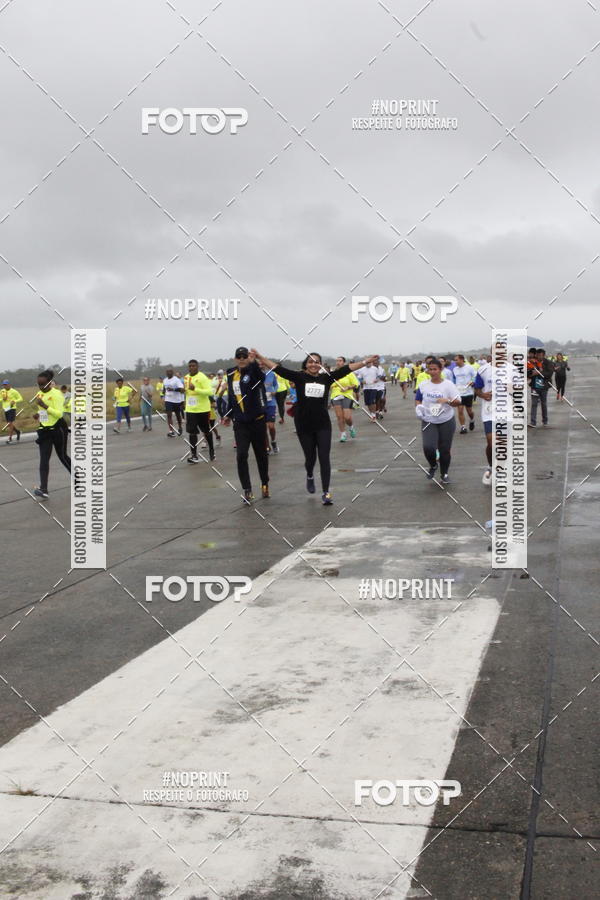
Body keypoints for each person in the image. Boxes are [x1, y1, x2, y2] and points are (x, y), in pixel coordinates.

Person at [253, 349, 376, 505]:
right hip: (304, 424)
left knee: (324, 457)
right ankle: (310, 474)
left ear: (321, 365)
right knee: (310, 458)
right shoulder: (299, 377)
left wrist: (365, 361)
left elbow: (347, 369)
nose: (313, 364)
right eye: (310, 362)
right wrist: (260, 358)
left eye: (316, 362)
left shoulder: (327, 378)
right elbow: (278, 369)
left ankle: (326, 492)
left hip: (322, 424)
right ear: (306, 365)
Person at [223, 347, 269, 503]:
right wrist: (228, 414)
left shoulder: (253, 372)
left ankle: (264, 483)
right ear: (235, 358)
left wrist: (254, 362)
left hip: (257, 420)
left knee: (261, 454)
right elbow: (232, 395)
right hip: (240, 422)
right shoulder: (230, 373)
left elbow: (262, 379)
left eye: (244, 356)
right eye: (239, 356)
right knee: (241, 455)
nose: (242, 359)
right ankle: (247, 489)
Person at [415, 358, 461, 484]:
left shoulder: (448, 385)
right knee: (428, 447)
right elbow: (418, 399)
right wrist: (418, 408)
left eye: (435, 369)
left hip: (446, 420)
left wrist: (446, 400)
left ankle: (444, 474)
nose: (432, 371)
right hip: (429, 420)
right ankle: (433, 465)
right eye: (430, 369)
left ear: (440, 370)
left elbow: (458, 402)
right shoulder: (424, 385)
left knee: (444, 449)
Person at [32, 369, 71, 499]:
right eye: (38, 384)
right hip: (45, 430)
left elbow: (60, 414)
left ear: (50, 383)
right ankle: (44, 489)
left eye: (43, 384)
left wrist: (45, 406)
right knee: (44, 460)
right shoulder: (39, 394)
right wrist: (38, 415)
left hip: (58, 429)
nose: (41, 387)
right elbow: (43, 413)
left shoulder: (57, 394)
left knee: (62, 456)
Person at [183, 360, 214, 463]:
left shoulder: (202, 377)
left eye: (193, 366)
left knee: (206, 431)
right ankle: (194, 455)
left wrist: (196, 389)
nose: (191, 368)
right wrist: (183, 390)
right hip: (191, 410)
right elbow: (188, 391)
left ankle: (211, 450)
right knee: (192, 432)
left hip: (202, 409)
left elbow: (209, 392)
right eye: (190, 366)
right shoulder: (186, 377)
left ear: (198, 367)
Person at [474, 358, 494, 486]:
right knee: (492, 443)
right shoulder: (483, 370)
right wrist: (483, 395)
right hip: (489, 411)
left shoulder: (512, 369)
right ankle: (491, 466)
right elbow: (477, 390)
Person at [330, 356, 359, 441]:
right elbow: (329, 384)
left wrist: (348, 387)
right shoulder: (333, 373)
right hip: (335, 396)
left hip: (347, 396)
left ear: (344, 362)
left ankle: (351, 427)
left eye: (340, 361)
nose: (338, 362)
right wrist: (334, 384)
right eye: (337, 361)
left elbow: (356, 384)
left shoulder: (349, 373)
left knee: (347, 417)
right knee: (339, 417)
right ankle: (343, 434)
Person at [529, 348, 553, 427]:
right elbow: (527, 373)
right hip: (534, 386)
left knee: (543, 404)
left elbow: (549, 373)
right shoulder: (532, 362)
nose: (539, 357)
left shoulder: (548, 363)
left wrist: (539, 372)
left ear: (544, 355)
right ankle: (533, 422)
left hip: (544, 387)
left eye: (540, 355)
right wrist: (532, 373)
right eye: (537, 355)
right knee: (534, 404)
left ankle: (545, 421)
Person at [453, 354, 476, 434]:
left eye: (456, 360)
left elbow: (475, 376)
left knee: (469, 411)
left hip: (468, 392)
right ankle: (463, 427)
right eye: (455, 360)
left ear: (462, 360)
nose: (455, 361)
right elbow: (454, 379)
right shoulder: (455, 369)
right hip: (459, 393)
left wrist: (472, 382)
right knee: (460, 410)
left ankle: (472, 420)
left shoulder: (469, 368)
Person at [162, 367, 184, 436]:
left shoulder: (176, 380)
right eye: (167, 372)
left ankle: (180, 427)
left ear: (173, 372)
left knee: (178, 415)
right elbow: (164, 389)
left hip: (176, 400)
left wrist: (173, 389)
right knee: (169, 415)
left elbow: (182, 389)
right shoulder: (165, 380)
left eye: (170, 372)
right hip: (168, 400)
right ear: (166, 373)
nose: (168, 373)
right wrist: (163, 396)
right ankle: (171, 431)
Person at [263, 366, 279, 453]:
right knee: (264, 428)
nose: (261, 365)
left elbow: (276, 385)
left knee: (271, 426)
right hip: (261, 404)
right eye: (259, 364)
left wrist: (275, 391)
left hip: (271, 403)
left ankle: (273, 441)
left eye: (262, 364)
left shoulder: (271, 374)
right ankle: (267, 446)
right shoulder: (255, 374)